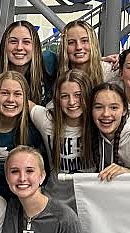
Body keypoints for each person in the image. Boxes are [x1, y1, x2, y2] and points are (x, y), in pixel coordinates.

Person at [28, 70, 95, 211]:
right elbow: (16, 97)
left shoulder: (99, 121)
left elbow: (124, 111)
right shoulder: (47, 120)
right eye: (65, 96)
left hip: (89, 206)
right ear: (57, 99)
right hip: (54, 203)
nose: (72, 102)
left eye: (78, 95)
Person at [0, 20, 58, 104]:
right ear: (4, 45)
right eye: (13, 41)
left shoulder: (48, 62)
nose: (19, 47)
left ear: (35, 47)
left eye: (26, 42)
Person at [57, 19, 117, 88]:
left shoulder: (112, 71)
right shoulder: (57, 72)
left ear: (93, 43)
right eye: (71, 42)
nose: (78, 47)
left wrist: (124, 59)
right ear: (64, 47)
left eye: (84, 41)